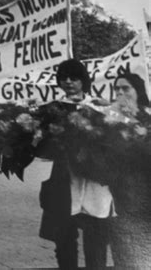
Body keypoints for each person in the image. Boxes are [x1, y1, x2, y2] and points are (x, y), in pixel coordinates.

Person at [36, 59, 114, 270]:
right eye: (63, 78)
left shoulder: (99, 107)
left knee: (96, 237)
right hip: (64, 179)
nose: (68, 82)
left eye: (74, 77)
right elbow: (42, 146)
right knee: (64, 237)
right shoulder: (52, 109)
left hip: (94, 183)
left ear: (83, 80)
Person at [106, 73, 151, 268]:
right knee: (124, 252)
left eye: (126, 88)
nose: (121, 93)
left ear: (137, 91)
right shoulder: (108, 118)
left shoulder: (148, 117)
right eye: (117, 89)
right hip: (121, 194)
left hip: (146, 193)